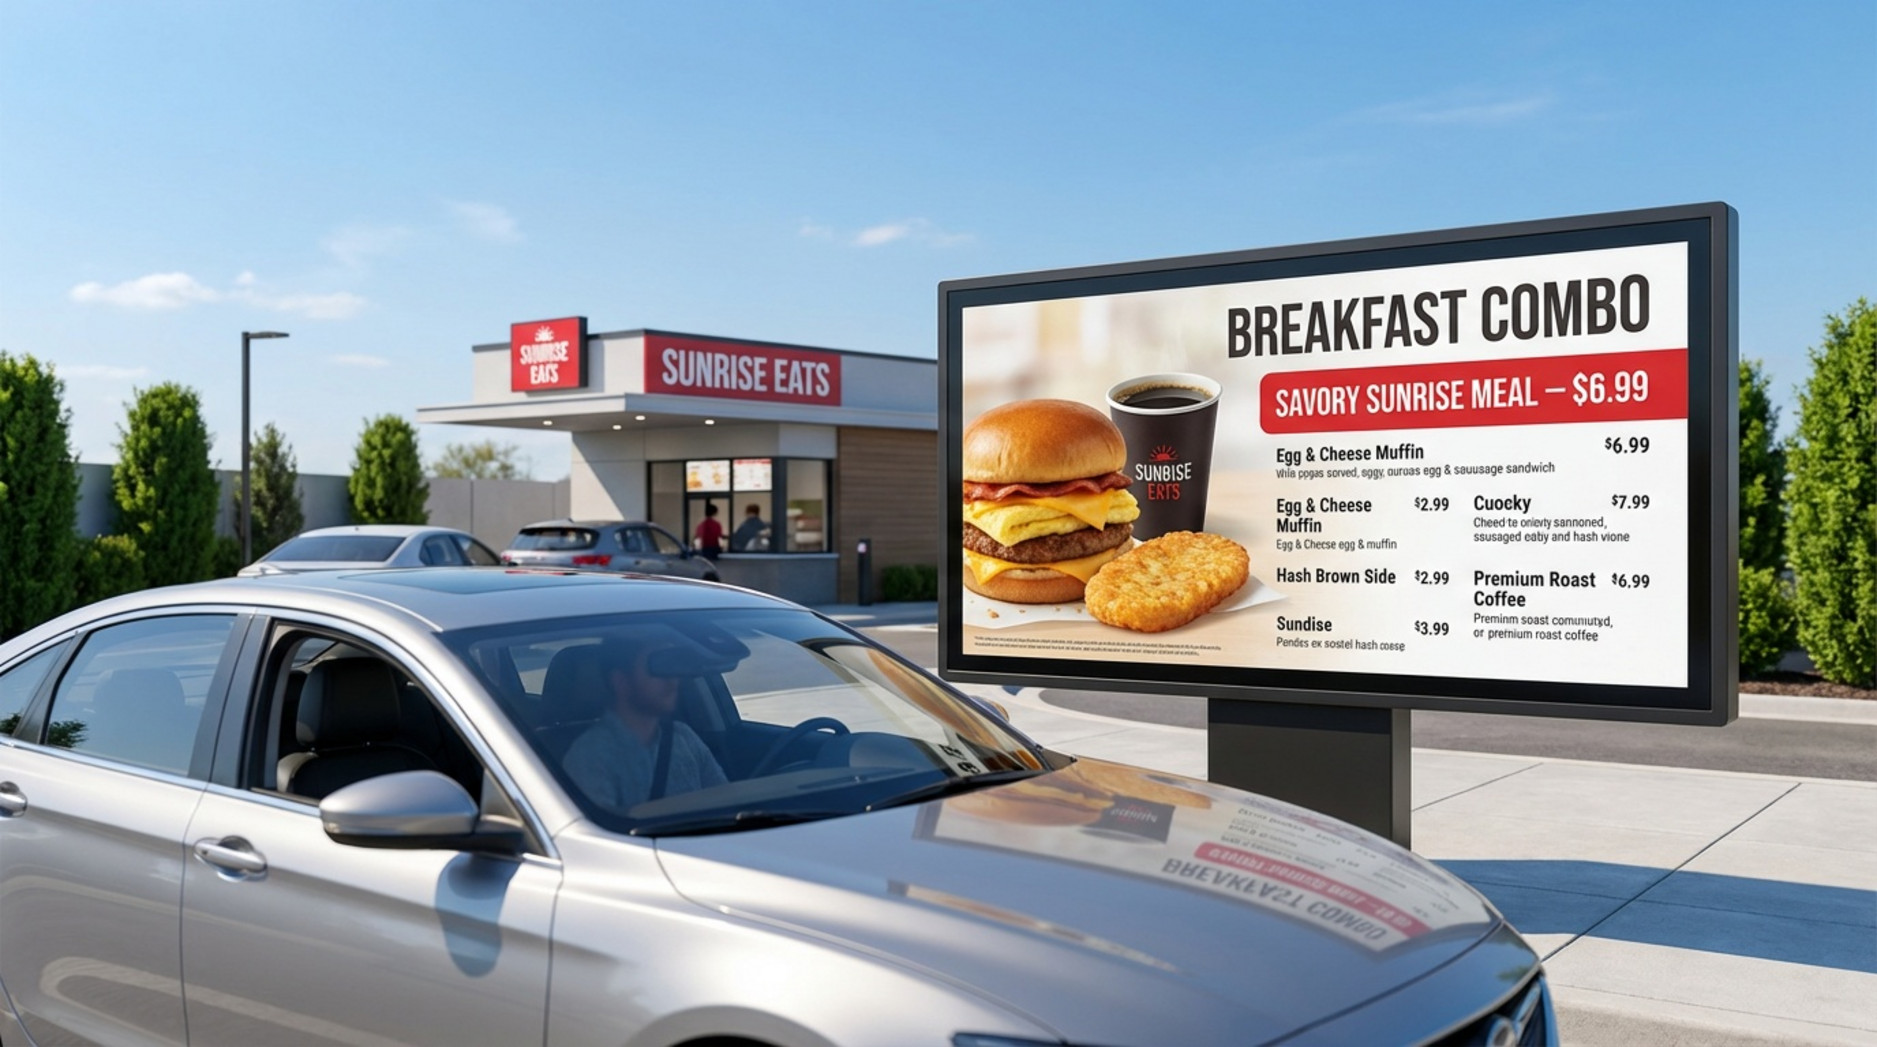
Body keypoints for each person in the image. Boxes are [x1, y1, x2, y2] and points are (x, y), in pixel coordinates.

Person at [562, 640, 727, 812]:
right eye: (657, 669)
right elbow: (597, 834)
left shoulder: (684, 737)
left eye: (670, 668)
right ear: (621, 681)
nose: (672, 681)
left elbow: (725, 800)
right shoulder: (589, 756)